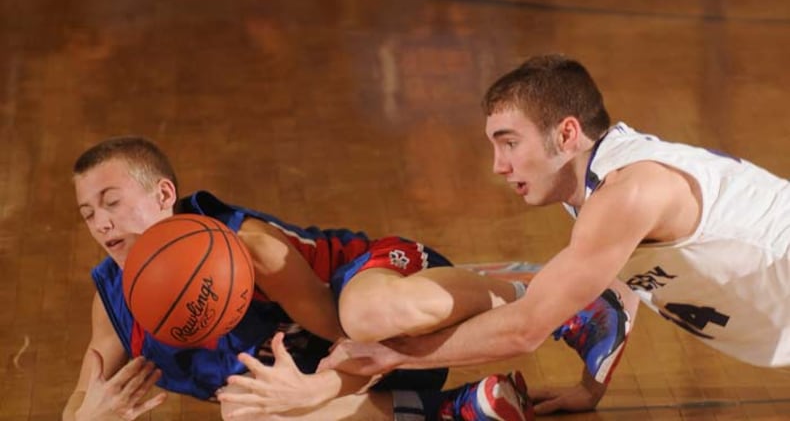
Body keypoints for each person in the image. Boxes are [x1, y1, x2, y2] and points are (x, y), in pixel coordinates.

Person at [319, 53, 790, 412]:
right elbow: (621, 287)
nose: (498, 166)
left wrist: (391, 355)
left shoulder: (629, 191)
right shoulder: (595, 189)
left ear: (566, 135)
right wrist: (590, 388)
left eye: (510, 143)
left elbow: (525, 330)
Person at [63, 136, 628, 420]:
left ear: (164, 195)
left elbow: (354, 339)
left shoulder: (250, 251)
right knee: (250, 412)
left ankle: (554, 298)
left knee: (367, 315)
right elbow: (80, 399)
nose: (101, 223)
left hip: (380, 293)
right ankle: (461, 408)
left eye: (111, 202)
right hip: (366, 371)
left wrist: (319, 388)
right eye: (89, 213)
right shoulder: (115, 299)